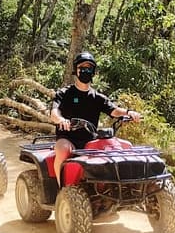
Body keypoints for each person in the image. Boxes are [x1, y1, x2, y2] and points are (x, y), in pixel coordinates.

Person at [49, 51, 141, 185]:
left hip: (90, 141)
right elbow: (54, 113)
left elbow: (114, 110)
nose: (86, 71)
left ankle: (125, 187)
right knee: (63, 150)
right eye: (82, 68)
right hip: (68, 139)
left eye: (89, 68)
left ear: (93, 72)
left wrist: (129, 112)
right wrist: (61, 120)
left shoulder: (97, 97)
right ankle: (62, 189)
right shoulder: (65, 93)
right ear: (76, 70)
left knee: (127, 147)